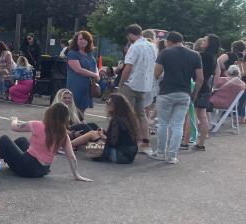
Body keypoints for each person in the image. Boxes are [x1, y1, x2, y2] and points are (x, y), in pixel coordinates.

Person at [0, 103, 92, 181]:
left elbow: (14, 127)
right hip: (43, 170)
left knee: (4, 139)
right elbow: (72, 157)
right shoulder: (63, 135)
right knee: (22, 140)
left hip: (27, 168)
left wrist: (14, 120)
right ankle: (7, 157)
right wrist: (77, 176)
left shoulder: (38, 125)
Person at [149, 31, 203, 163]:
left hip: (166, 92)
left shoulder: (166, 53)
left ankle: (160, 152)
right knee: (178, 125)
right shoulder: (195, 55)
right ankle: (172, 156)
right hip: (185, 94)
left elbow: (156, 72)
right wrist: (194, 93)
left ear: (169, 41)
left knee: (163, 124)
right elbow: (200, 78)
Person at [119, 24, 157, 152]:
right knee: (142, 114)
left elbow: (128, 67)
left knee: (124, 113)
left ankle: (126, 140)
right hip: (145, 86)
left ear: (130, 34)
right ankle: (145, 143)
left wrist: (121, 83)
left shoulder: (134, 47)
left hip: (131, 84)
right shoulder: (152, 46)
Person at [80, 93, 140, 164]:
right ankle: (70, 145)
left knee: (91, 137)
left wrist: (102, 136)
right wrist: (104, 132)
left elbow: (112, 143)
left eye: (110, 102)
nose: (107, 104)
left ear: (117, 105)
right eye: (107, 101)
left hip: (120, 155)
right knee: (92, 133)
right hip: (129, 156)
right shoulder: (127, 118)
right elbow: (120, 138)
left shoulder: (117, 120)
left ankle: (69, 145)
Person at [189, 33, 220, 151]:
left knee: (195, 116)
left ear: (209, 43)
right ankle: (201, 142)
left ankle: (193, 140)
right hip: (206, 87)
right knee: (202, 116)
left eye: (205, 40)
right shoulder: (213, 57)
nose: (202, 41)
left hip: (198, 86)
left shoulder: (201, 56)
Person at [64, 30, 101, 113]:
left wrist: (97, 75)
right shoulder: (72, 53)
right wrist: (95, 75)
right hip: (76, 85)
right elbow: (78, 69)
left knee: (82, 110)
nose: (83, 41)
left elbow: (95, 66)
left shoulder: (90, 54)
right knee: (73, 110)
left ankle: (79, 124)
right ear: (76, 41)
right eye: (80, 39)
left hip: (87, 86)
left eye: (85, 39)